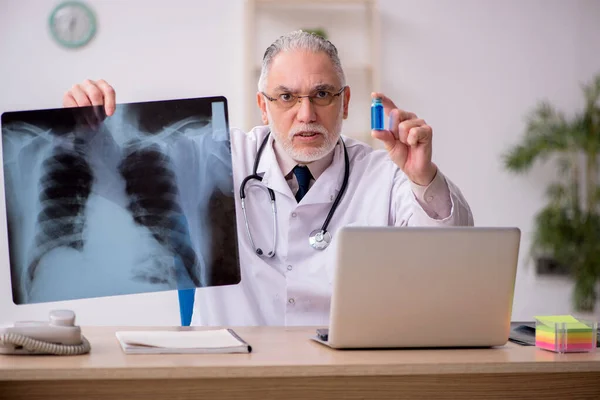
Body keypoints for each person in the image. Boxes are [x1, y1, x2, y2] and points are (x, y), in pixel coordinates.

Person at [63, 30, 474, 326]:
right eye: (286, 97)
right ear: (263, 106)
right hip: (233, 377)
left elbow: (449, 262)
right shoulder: (216, 157)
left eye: (322, 94)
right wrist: (88, 130)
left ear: (345, 102)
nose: (306, 114)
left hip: (346, 377)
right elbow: (119, 178)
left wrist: (422, 176)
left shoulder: (386, 170)